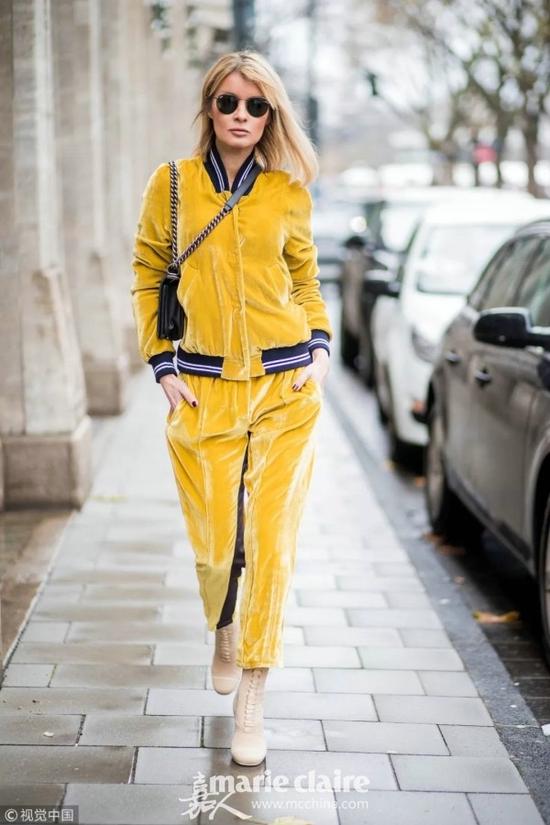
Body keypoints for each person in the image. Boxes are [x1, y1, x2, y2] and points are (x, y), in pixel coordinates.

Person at [130, 50, 332, 766]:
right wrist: (163, 366)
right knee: (219, 544)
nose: (241, 115)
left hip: (285, 388)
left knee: (271, 541)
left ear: (271, 115)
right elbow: (148, 271)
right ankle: (224, 622)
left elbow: (305, 281)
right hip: (204, 389)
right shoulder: (173, 185)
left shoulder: (287, 192)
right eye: (229, 102)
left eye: (256, 105)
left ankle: (253, 692)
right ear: (209, 108)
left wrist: (319, 351)